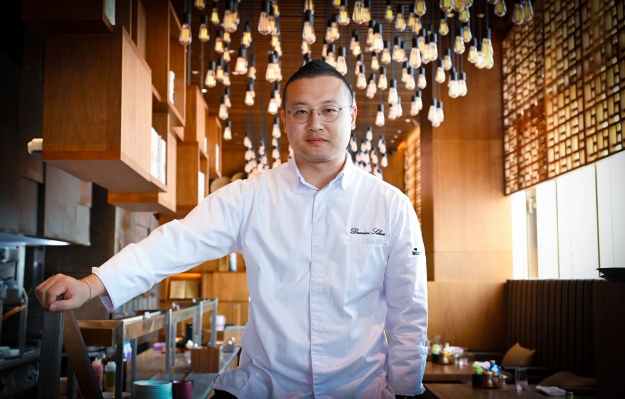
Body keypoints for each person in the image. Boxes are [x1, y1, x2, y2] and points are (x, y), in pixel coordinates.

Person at [36, 60, 428, 399]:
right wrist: (91, 285)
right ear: (285, 120)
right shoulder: (250, 196)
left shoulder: (390, 205)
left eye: (329, 110)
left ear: (352, 115)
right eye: (301, 111)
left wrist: (407, 388)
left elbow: (408, 311)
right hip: (266, 388)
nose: (315, 124)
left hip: (360, 389)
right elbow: (175, 242)